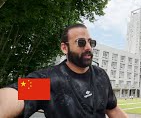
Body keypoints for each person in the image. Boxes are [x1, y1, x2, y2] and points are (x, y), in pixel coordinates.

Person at [0, 23, 128, 118]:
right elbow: (16, 95)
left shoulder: (101, 75)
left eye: (91, 42)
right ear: (64, 48)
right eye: (81, 42)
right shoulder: (50, 80)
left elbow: (112, 109)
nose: (89, 47)